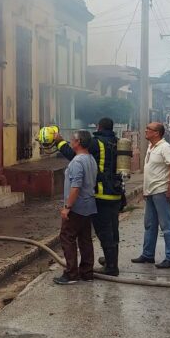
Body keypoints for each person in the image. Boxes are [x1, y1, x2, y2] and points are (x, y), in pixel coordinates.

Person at [55, 118, 124, 276]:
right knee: (112, 231)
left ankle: (111, 267)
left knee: (103, 232)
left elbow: (75, 154)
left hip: (100, 195)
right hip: (116, 193)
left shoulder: (96, 143)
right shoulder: (117, 141)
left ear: (98, 126)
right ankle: (107, 262)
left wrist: (59, 143)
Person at [132, 122, 170, 269]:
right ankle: (148, 255)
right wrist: (145, 191)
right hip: (151, 192)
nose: (145, 130)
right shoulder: (151, 147)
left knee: (167, 226)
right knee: (150, 225)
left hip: (160, 191)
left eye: (149, 129)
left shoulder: (165, 147)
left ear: (157, 133)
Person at [54, 130, 98, 285]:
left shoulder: (77, 162)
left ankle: (71, 274)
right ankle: (87, 272)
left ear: (78, 142)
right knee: (85, 239)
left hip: (77, 207)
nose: (70, 141)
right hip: (89, 205)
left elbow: (76, 186)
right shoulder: (91, 159)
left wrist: (67, 207)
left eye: (72, 139)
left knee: (67, 237)